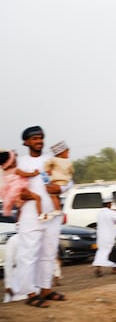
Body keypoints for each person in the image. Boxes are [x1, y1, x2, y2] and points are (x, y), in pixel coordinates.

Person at [13, 126, 68, 307]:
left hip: (51, 215)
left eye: (41, 138)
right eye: (35, 139)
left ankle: (45, 289)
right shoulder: (19, 163)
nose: (39, 141)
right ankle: (30, 293)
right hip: (30, 215)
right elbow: (8, 187)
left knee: (49, 252)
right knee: (28, 254)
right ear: (26, 142)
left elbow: (69, 179)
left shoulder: (51, 160)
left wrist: (60, 188)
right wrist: (20, 195)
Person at [0, 150, 41, 218]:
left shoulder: (5, 172)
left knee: (21, 207)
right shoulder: (16, 170)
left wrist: (14, 154)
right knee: (37, 198)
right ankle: (40, 215)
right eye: (15, 161)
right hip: (20, 190)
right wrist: (35, 173)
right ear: (11, 163)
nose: (16, 162)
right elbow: (26, 174)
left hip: (13, 194)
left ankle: (18, 220)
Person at [92, 196, 116, 278]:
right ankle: (114, 269)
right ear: (109, 204)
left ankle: (98, 268)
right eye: (111, 203)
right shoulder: (112, 213)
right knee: (113, 252)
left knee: (101, 252)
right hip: (111, 235)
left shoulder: (99, 213)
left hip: (101, 237)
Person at [43, 141, 72, 216]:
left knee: (53, 195)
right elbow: (71, 171)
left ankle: (57, 209)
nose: (68, 154)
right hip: (65, 181)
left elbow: (46, 166)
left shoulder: (53, 159)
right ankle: (58, 209)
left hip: (56, 181)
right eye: (67, 152)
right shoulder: (68, 162)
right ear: (61, 153)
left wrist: (47, 170)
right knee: (57, 196)